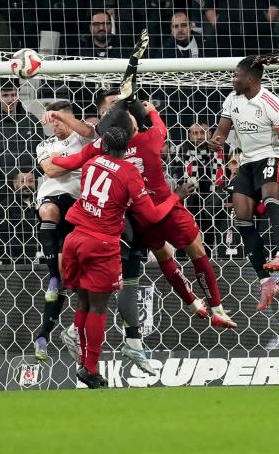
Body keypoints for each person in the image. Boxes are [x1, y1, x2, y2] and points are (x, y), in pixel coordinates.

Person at [51, 99, 237, 336]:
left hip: (139, 218)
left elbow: (72, 161)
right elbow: (161, 127)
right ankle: (217, 308)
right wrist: (153, 111)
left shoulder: (102, 146)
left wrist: (51, 158)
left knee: (164, 258)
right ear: (135, 127)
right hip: (166, 209)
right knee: (197, 253)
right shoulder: (151, 138)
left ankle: (191, 302)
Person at [59, 124, 183, 389]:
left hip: (74, 238)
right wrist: (176, 197)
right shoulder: (129, 172)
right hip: (101, 244)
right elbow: (151, 215)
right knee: (98, 307)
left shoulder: (92, 162)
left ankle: (83, 360)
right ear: (127, 148)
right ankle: (90, 369)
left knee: (82, 303)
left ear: (104, 144)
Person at [207, 54, 279, 310]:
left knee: (270, 197)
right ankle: (266, 281)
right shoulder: (232, 99)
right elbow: (222, 131)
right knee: (241, 217)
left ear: (250, 78)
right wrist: (216, 140)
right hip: (247, 162)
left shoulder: (272, 103)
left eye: (236, 76)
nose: (233, 80)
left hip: (272, 157)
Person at [31, 101, 96, 361]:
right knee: (48, 212)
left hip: (81, 207)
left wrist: (65, 161)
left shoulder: (84, 135)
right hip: (54, 200)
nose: (55, 125)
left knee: (79, 285)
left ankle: (55, 334)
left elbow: (90, 132)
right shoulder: (44, 145)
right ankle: (43, 336)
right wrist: (79, 160)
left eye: (60, 119)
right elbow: (49, 169)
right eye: (53, 120)